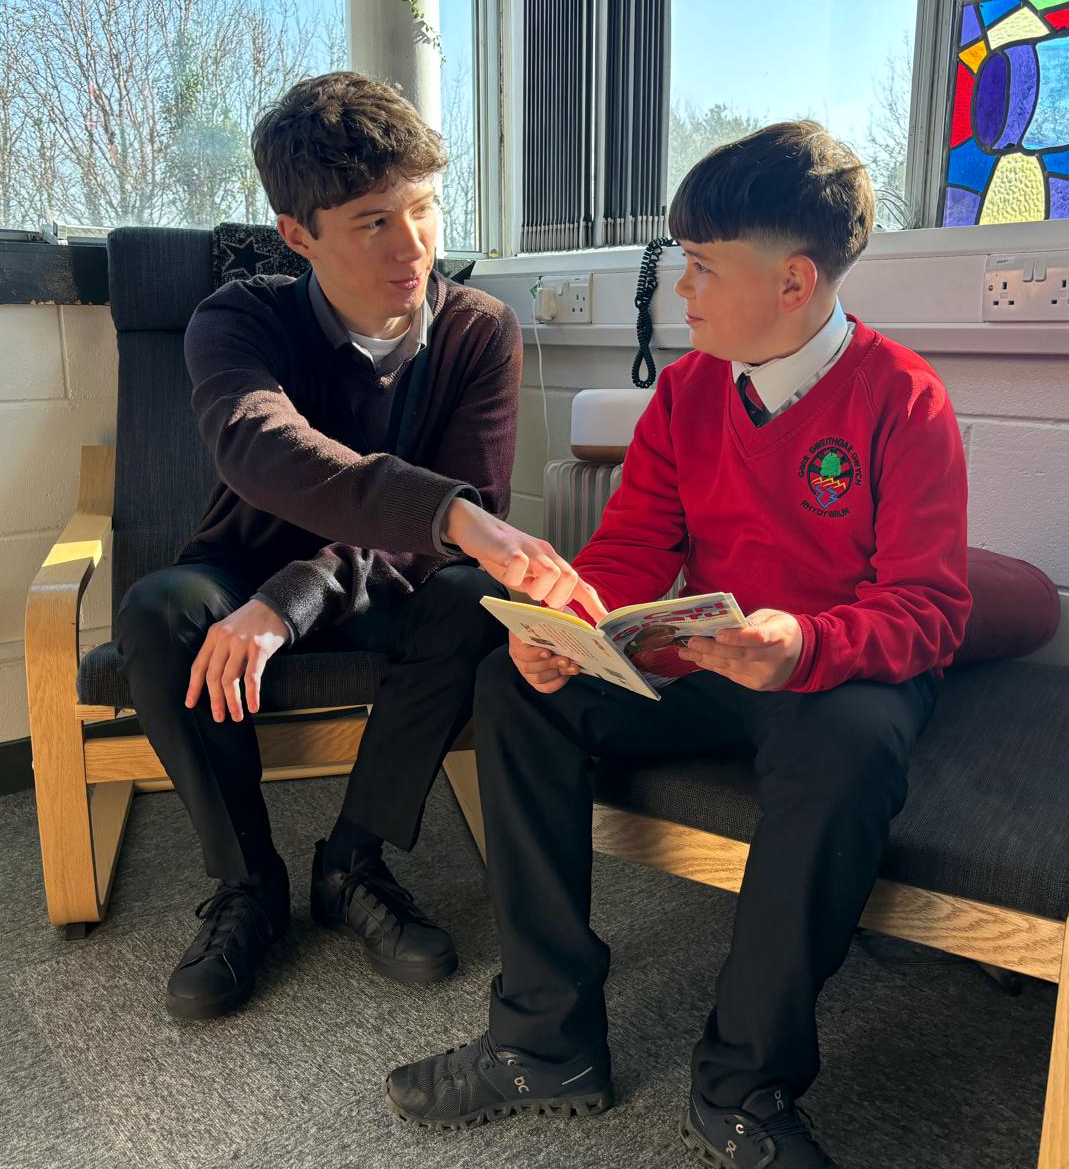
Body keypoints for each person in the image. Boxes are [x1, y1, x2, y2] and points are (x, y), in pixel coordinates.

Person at [384, 120, 972, 1168]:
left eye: (701, 268)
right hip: (707, 658)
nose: (680, 292)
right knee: (512, 687)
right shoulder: (688, 394)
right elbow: (629, 547)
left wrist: (803, 643)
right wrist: (565, 631)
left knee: (846, 751)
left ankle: (744, 1083)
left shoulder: (904, 399)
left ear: (794, 280)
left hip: (831, 669)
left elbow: (928, 607)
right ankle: (544, 1035)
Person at [115, 71, 604, 1022]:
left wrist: (292, 603)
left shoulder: (478, 333)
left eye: (424, 208)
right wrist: (455, 515)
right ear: (298, 233)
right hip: (242, 563)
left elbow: (440, 558)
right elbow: (266, 451)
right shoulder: (238, 320)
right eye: (375, 221)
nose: (414, 245)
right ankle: (247, 886)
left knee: (472, 600)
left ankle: (353, 862)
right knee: (158, 611)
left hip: (390, 585)